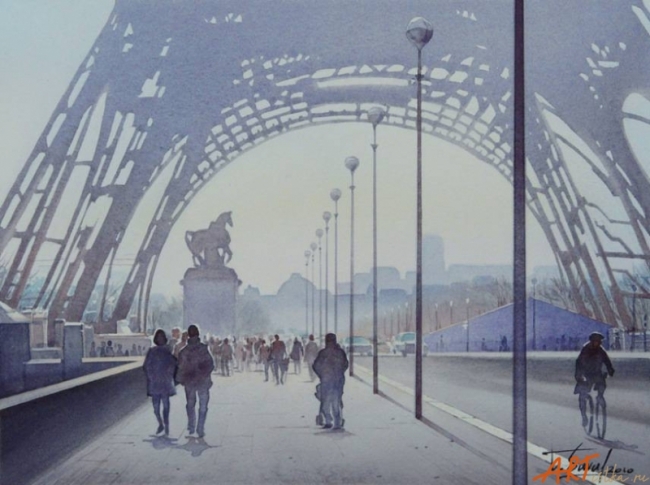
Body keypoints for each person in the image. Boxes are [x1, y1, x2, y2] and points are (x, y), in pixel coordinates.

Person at [177, 325, 215, 438]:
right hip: (203, 381)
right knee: (203, 405)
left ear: (188, 335)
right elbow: (211, 364)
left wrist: (181, 379)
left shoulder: (183, 352)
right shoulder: (204, 349)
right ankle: (200, 427)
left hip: (190, 381)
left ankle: (192, 425)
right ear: (198, 334)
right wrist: (204, 373)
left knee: (190, 404)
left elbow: (181, 368)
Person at [574, 331, 615, 427]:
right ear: (592, 341)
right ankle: (584, 416)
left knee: (602, 385)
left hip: (597, 373)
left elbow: (607, 361)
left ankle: (600, 396)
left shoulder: (601, 350)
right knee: (582, 396)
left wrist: (610, 370)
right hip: (586, 374)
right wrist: (579, 376)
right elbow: (578, 363)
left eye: (598, 341)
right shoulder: (585, 349)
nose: (597, 343)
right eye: (595, 341)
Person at [143, 329, 178, 436]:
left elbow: (173, 364)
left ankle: (166, 425)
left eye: (162, 337)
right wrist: (151, 376)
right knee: (156, 408)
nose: (160, 339)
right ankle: (161, 423)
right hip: (155, 382)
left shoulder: (167, 351)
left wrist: (169, 373)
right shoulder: (152, 351)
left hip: (164, 382)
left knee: (166, 405)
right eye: (159, 337)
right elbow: (147, 366)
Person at [312, 333, 349, 429]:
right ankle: (337, 422)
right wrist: (340, 372)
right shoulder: (340, 352)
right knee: (336, 400)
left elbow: (315, 365)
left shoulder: (323, 353)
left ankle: (329, 421)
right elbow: (345, 364)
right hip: (338, 380)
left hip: (327, 380)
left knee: (326, 401)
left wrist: (322, 374)